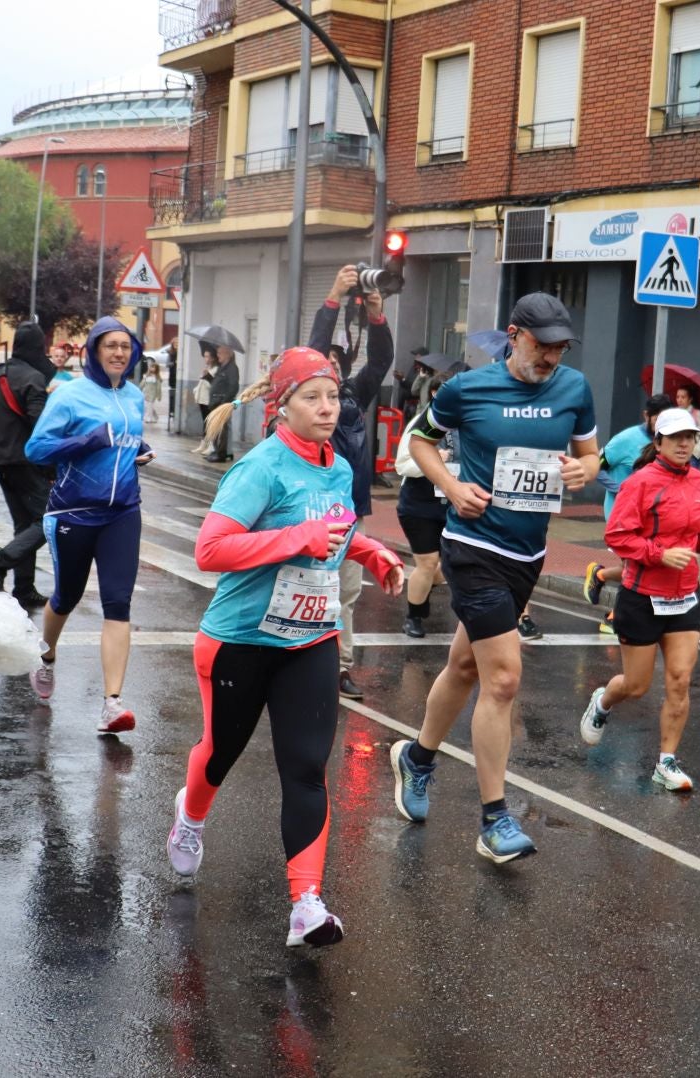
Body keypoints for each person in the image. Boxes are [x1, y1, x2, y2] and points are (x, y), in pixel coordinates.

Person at [170, 345, 404, 946]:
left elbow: (337, 529)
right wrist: (294, 538)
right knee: (219, 755)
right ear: (281, 407)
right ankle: (190, 817)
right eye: (313, 397)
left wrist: (372, 553)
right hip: (240, 641)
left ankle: (306, 904)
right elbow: (211, 550)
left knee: (306, 768)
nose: (328, 408)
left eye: (333, 397)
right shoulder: (260, 469)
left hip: (311, 638)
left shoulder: (340, 466)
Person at [386, 292, 599, 862]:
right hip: (472, 545)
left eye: (560, 348)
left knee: (463, 664)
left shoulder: (575, 389)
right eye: (542, 345)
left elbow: (591, 455)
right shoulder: (465, 389)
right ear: (513, 335)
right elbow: (420, 441)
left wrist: (586, 469)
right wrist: (452, 488)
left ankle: (418, 759)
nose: (551, 357)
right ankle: (494, 820)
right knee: (502, 679)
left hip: (528, 553)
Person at [577, 408, 700, 791]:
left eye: (689, 437)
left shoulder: (699, 480)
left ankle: (666, 762)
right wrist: (660, 555)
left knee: (679, 680)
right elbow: (617, 536)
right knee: (637, 686)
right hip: (643, 597)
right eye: (675, 438)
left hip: (685, 596)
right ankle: (603, 701)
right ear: (657, 442)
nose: (684, 444)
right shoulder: (640, 483)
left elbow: (697, 525)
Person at [23, 317, 152, 733]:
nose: (119, 352)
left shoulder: (134, 396)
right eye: (110, 345)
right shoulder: (71, 396)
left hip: (123, 512)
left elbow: (124, 440)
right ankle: (45, 657)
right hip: (73, 513)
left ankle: (112, 703)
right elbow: (36, 449)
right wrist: (85, 442)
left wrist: (139, 450)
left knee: (118, 603)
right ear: (94, 351)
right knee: (67, 595)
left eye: (126, 346)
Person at [305, 266, 394, 699]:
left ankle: (339, 668)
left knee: (345, 595)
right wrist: (334, 296)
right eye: (324, 367)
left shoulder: (353, 399)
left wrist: (376, 316)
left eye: (337, 366)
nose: (331, 372)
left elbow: (379, 362)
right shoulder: (303, 403)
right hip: (303, 512)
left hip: (347, 514)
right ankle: (289, 660)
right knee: (298, 585)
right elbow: (312, 351)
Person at [0, 322, 56, 610]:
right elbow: (41, 427)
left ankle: (24, 588)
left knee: (24, 523)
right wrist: (52, 466)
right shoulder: (33, 378)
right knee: (49, 520)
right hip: (26, 460)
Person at [582, 394, 677, 634]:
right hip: (622, 513)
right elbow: (597, 466)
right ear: (647, 416)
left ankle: (599, 574)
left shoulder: (669, 441)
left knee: (639, 568)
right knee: (635, 567)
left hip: (653, 516)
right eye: (658, 419)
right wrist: (620, 489)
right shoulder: (625, 440)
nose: (663, 424)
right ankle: (614, 617)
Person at [394, 355, 462, 638]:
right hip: (418, 505)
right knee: (428, 562)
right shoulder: (420, 423)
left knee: (448, 565)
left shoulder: (464, 426)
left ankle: (421, 593)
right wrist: (431, 461)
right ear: (434, 394)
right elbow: (401, 466)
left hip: (451, 505)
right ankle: (413, 617)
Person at [206, 342, 241, 462]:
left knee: (221, 430)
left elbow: (233, 387)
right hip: (215, 402)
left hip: (222, 403)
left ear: (228, 354)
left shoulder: (232, 368)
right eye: (217, 352)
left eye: (220, 353)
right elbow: (219, 383)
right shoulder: (222, 367)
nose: (217, 355)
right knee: (216, 428)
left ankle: (221, 454)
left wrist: (224, 402)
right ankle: (216, 451)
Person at [673, 385, 700, 459]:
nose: (679, 400)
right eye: (677, 397)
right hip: (675, 454)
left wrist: (695, 452)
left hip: (690, 457)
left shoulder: (697, 414)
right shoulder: (674, 413)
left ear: (690, 399)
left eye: (683, 397)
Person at [140, 359, 164, 423]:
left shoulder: (157, 378)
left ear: (157, 369)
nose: (152, 368)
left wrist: (159, 396)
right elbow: (142, 384)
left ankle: (148, 418)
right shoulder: (146, 376)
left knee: (150, 406)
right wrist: (139, 389)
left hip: (152, 394)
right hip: (145, 393)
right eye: (151, 367)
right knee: (146, 406)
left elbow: (158, 388)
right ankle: (154, 417)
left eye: (154, 367)